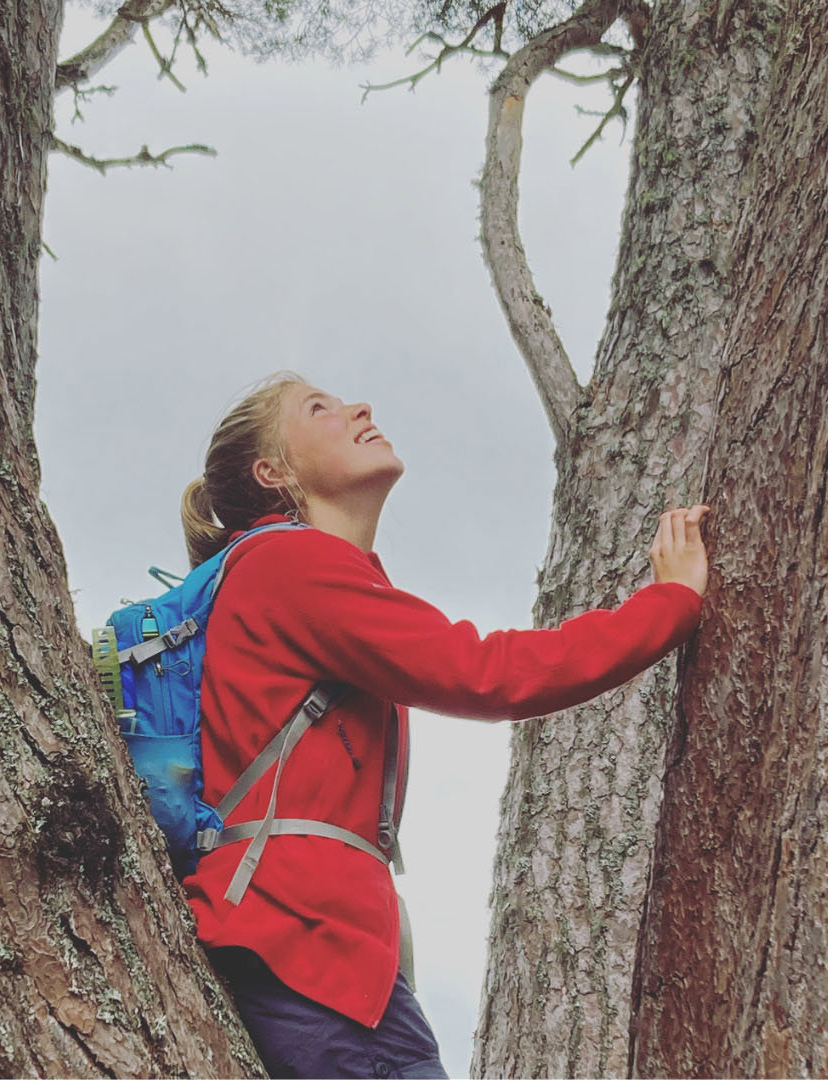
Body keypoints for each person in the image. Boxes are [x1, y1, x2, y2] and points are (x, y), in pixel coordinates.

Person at [178, 371, 710, 1078]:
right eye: (320, 408)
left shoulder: (295, 572)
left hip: (313, 950)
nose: (359, 406)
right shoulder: (291, 562)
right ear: (273, 471)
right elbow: (491, 672)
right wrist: (668, 604)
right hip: (309, 948)